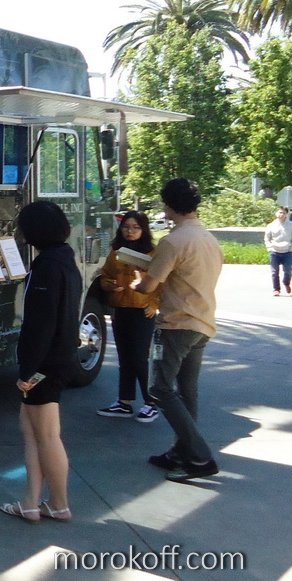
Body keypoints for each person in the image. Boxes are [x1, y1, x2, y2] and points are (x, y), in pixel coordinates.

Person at [133, 178, 224, 482]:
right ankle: (181, 452)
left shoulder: (173, 241)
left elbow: (148, 286)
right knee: (187, 392)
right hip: (202, 322)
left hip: (175, 324)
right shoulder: (208, 238)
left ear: (169, 205)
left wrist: (138, 281)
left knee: (159, 389)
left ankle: (200, 456)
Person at [0, 201, 81, 523]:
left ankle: (59, 504)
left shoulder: (46, 266)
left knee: (46, 435)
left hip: (46, 363)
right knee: (31, 430)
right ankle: (31, 502)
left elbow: (41, 324)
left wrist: (28, 370)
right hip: (58, 357)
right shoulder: (65, 260)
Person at [96, 211, 161, 423]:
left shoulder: (153, 253)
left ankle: (151, 403)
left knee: (140, 357)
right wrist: (109, 285)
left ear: (144, 230)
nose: (130, 231)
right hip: (120, 308)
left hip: (142, 310)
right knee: (125, 357)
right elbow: (105, 276)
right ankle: (124, 402)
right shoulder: (116, 252)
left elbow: (163, 282)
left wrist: (154, 304)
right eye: (126, 227)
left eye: (135, 227)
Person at [263, 207, 291, 296]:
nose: (281, 214)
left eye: (283, 213)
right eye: (280, 212)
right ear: (276, 213)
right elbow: (267, 238)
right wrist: (270, 248)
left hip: (287, 252)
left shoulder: (290, 225)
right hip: (274, 252)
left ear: (286, 214)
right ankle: (276, 289)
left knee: (288, 271)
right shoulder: (271, 225)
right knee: (274, 272)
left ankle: (286, 282)